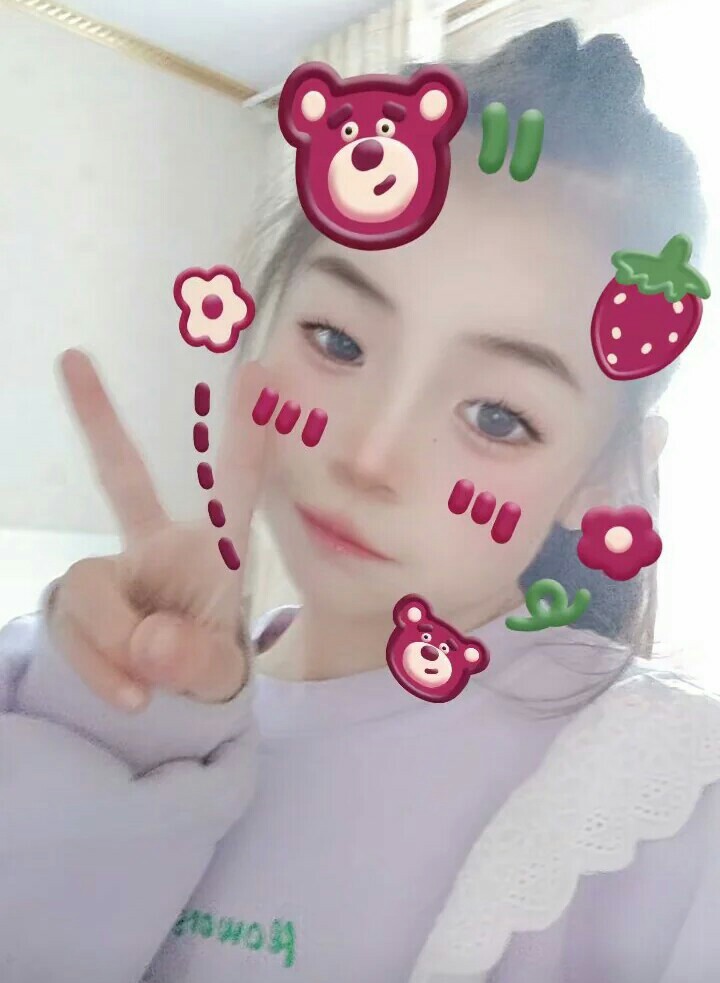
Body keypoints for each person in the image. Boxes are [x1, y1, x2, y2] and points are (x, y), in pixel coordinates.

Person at [1, 18, 718, 983]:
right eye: (338, 342)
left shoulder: (669, 806)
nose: (369, 457)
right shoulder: (63, 683)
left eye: (498, 416)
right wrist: (111, 730)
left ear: (607, 478)